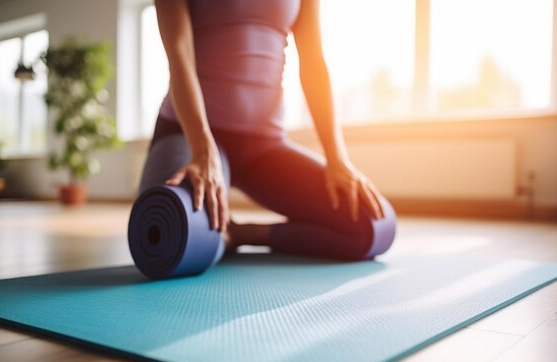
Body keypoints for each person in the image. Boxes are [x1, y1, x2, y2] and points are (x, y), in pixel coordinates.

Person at [139, 0, 394, 260]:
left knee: (371, 224)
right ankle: (211, 233)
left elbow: (313, 61)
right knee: (172, 233)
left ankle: (241, 234)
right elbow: (179, 53)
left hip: (264, 147)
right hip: (190, 137)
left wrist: (337, 158)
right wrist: (202, 148)